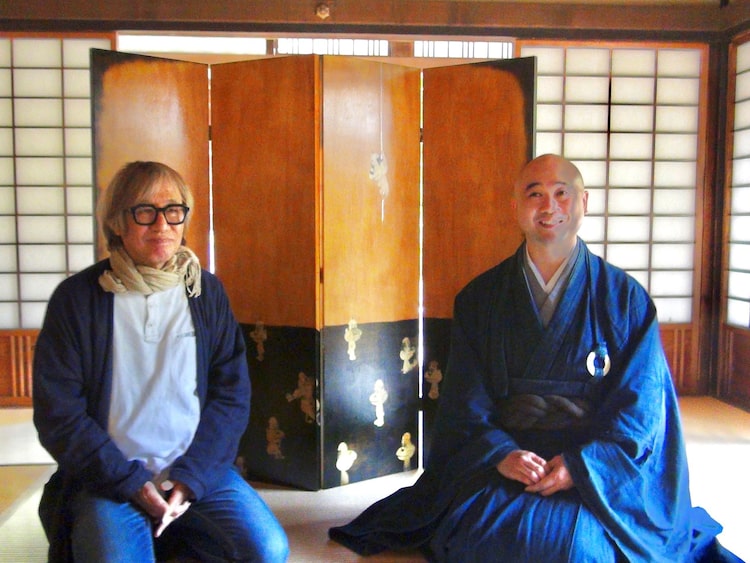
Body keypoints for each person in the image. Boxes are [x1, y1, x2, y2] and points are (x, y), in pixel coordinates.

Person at [329, 154, 740, 562]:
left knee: (582, 551)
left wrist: (580, 467)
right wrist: (500, 454)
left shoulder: (625, 301)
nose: (549, 206)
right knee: (480, 540)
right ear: (516, 207)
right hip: (505, 466)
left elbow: (642, 409)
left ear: (583, 203)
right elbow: (463, 402)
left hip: (593, 476)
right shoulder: (480, 299)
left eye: (562, 193)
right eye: (535, 194)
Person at [33, 161, 289, 562]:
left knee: (268, 550)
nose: (162, 225)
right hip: (110, 477)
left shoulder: (205, 292)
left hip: (194, 470)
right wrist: (131, 482)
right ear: (117, 221)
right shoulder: (78, 299)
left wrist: (190, 479)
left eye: (173, 211)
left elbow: (231, 396)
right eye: (144, 212)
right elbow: (59, 413)